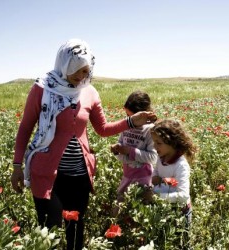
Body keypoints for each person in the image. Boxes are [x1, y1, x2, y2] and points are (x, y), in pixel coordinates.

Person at [10, 39, 156, 250]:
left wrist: (132, 121)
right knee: (48, 229)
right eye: (76, 71)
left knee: (75, 227)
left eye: (86, 71)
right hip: (45, 172)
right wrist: (16, 166)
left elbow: (103, 129)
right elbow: (25, 128)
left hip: (79, 174)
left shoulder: (90, 92)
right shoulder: (42, 89)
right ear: (63, 64)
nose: (81, 77)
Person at [110, 91, 157, 214]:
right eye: (127, 115)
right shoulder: (127, 124)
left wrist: (130, 151)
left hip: (143, 178)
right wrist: (117, 150)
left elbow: (153, 157)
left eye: (133, 117)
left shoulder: (150, 130)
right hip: (127, 175)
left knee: (140, 212)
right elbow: (121, 144)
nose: (130, 120)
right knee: (118, 210)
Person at [149, 119, 197, 225]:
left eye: (158, 143)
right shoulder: (161, 157)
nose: (154, 146)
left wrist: (157, 197)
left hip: (180, 212)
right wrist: (155, 177)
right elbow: (156, 170)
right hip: (164, 207)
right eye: (154, 142)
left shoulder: (181, 165)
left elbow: (183, 196)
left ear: (172, 143)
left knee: (180, 238)